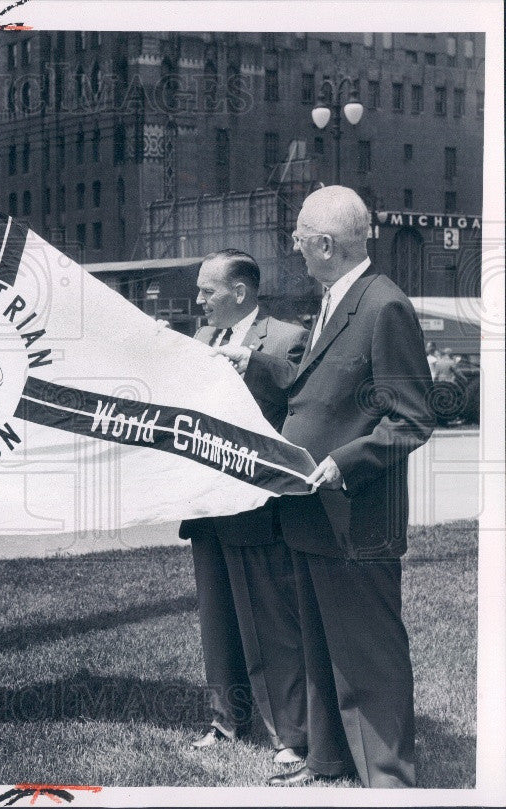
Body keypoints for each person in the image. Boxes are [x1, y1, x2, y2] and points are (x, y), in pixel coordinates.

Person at [225, 186, 434, 787]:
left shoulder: (383, 305)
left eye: (299, 235)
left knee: (368, 656)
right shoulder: (337, 298)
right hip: (317, 516)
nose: (293, 244)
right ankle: (328, 760)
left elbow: (412, 417)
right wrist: (261, 364)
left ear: (325, 244)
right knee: (321, 649)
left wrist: (344, 460)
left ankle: (389, 780)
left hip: (357, 517)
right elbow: (321, 386)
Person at [180, 249, 309, 765]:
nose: (198, 301)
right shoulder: (200, 339)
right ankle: (227, 721)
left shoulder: (284, 337)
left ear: (239, 292)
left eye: (206, 291)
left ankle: (288, 734)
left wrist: (252, 361)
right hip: (208, 504)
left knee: (267, 622)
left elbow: (299, 387)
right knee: (218, 620)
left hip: (256, 505)